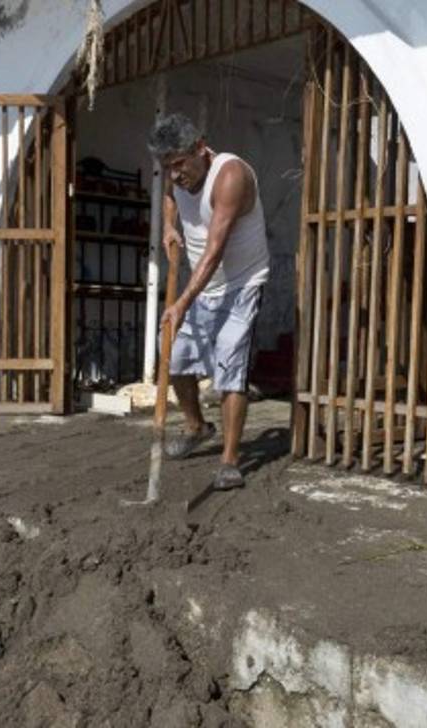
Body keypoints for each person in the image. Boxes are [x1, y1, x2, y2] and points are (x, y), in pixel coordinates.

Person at [147, 113, 270, 491]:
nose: (174, 175)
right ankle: (197, 426)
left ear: (201, 147)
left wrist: (182, 301)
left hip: (241, 282)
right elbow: (171, 196)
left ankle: (230, 462)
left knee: (230, 366)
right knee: (174, 352)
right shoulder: (177, 176)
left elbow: (215, 250)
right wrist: (169, 226)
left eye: (179, 165)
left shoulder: (230, 176)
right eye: (166, 168)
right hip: (205, 284)